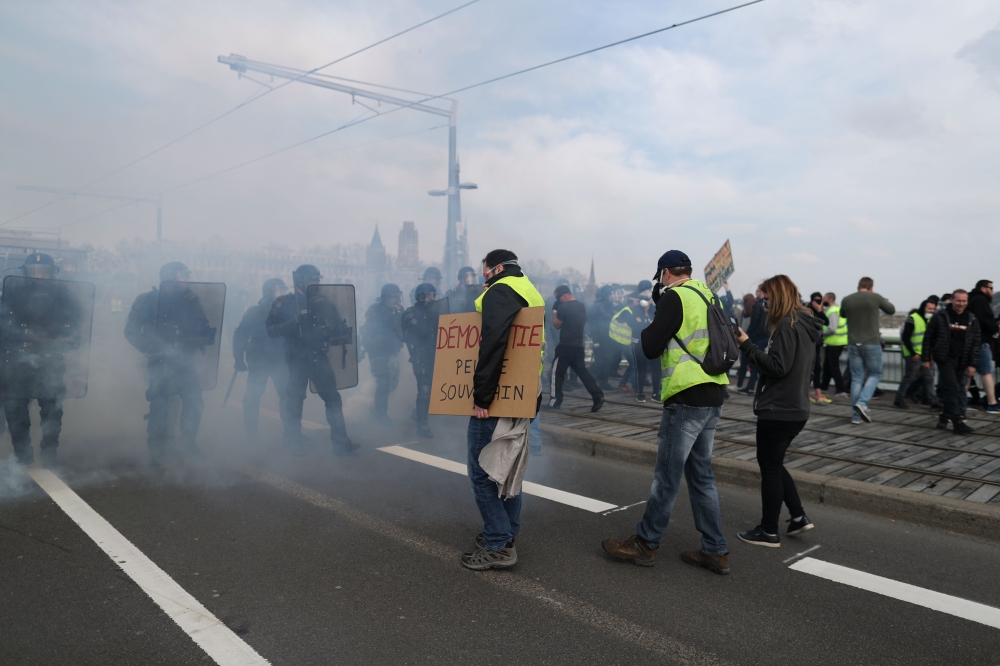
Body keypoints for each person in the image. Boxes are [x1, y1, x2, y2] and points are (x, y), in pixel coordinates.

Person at [602, 250, 730, 575]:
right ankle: (715, 550)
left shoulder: (676, 297)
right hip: (714, 392)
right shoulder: (708, 294)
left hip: (686, 396)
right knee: (702, 476)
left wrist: (659, 305)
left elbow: (649, 346)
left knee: (667, 477)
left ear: (664, 274)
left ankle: (645, 544)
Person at [462, 249, 545, 571]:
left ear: (496, 268)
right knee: (508, 468)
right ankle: (507, 534)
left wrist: (481, 396)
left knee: (482, 473)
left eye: (485, 273)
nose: (483, 279)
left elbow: (493, 340)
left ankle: (498, 544)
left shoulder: (500, 290)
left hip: (498, 392)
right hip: (523, 389)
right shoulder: (527, 287)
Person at [734, 275, 822, 546]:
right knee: (775, 463)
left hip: (779, 408)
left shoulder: (786, 325)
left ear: (778, 297)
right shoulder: (805, 324)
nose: (763, 303)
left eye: (767, 298)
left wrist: (746, 344)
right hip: (797, 408)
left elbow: (777, 366)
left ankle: (768, 530)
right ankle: (797, 516)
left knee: (769, 467)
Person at [125, 262, 215, 467]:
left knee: (194, 402)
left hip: (184, 361)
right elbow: (130, 332)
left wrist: (200, 339)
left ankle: (187, 444)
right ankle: (156, 451)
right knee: (160, 406)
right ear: (171, 277)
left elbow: (203, 327)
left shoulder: (190, 300)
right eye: (183, 276)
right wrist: (151, 349)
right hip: (159, 361)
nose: (187, 280)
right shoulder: (148, 300)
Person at [1, 254, 84, 468]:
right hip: (17, 360)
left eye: (45, 272)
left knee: (52, 409)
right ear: (25, 272)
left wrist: (71, 336)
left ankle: (49, 454)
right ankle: (23, 456)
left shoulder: (64, 295)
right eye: (35, 271)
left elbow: (76, 320)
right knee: (15, 408)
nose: (40, 277)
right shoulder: (12, 294)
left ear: (53, 273)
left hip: (51, 358)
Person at [267, 264, 357, 455]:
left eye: (317, 279)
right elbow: (271, 331)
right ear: (301, 280)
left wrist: (345, 336)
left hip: (318, 355)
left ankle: (340, 441)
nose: (316, 282)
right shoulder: (284, 303)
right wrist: (293, 323)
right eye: (313, 279)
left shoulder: (324, 302)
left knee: (332, 397)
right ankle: (292, 441)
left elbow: (338, 328)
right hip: (297, 357)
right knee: (295, 399)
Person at [233, 278, 290, 445]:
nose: (284, 293)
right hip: (260, 360)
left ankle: (290, 431)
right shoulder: (255, 311)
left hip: (281, 359)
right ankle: (251, 434)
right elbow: (241, 335)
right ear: (269, 291)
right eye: (280, 289)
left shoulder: (286, 311)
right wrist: (238, 358)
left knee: (287, 396)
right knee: (253, 395)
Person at [924, 289, 980, 433]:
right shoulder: (941, 316)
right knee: (953, 388)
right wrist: (926, 358)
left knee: (953, 389)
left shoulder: (971, 319)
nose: (961, 304)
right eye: (959, 300)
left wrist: (972, 364)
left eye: (964, 301)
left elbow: (975, 343)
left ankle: (944, 417)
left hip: (962, 360)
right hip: (945, 358)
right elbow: (928, 337)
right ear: (952, 301)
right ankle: (957, 421)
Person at [840, 277, 895, 424]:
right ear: (871, 287)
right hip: (871, 342)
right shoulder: (875, 297)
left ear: (858, 286)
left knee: (856, 378)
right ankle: (863, 403)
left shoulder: (847, 299)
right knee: (875, 373)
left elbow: (843, 314)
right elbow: (891, 309)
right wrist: (876, 296)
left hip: (852, 343)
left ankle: (855, 417)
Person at [547, 284, 604, 412]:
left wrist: (554, 312)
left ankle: (555, 401)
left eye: (559, 298)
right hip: (578, 346)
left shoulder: (563, 307)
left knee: (556, 374)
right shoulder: (581, 306)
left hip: (565, 346)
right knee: (583, 372)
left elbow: (557, 325)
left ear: (564, 295)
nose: (559, 301)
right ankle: (597, 395)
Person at [401, 282, 440, 439]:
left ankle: (417, 413)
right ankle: (422, 425)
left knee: (434, 389)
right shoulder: (410, 313)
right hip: (420, 357)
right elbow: (420, 331)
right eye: (429, 296)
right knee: (425, 390)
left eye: (433, 295)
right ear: (421, 297)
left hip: (436, 355)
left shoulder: (436, 311)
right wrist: (431, 315)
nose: (431, 299)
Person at [362, 283, 404, 425]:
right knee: (384, 381)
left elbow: (402, 330)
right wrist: (391, 316)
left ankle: (373, 404)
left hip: (392, 351)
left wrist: (400, 315)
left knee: (394, 381)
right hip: (377, 351)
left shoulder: (399, 311)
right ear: (385, 297)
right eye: (393, 297)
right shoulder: (374, 310)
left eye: (398, 297)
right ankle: (380, 414)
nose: (396, 300)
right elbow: (374, 328)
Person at [894, 297, 939, 410]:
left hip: (925, 355)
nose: (932, 311)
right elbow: (906, 337)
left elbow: (931, 339)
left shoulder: (930, 320)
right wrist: (913, 353)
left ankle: (933, 401)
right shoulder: (913, 319)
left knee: (928, 378)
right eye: (929, 309)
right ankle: (899, 399)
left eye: (933, 309)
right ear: (924, 308)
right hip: (914, 355)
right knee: (909, 377)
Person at [968, 280, 999, 414]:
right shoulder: (981, 300)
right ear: (983, 288)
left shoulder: (971, 299)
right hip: (981, 342)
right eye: (991, 288)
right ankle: (992, 404)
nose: (992, 291)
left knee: (968, 373)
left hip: (970, 342)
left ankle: (961, 402)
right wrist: (994, 328)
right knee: (986, 372)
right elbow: (983, 320)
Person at [738, 286, 769, 394]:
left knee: (753, 363)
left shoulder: (757, 305)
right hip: (766, 337)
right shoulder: (767, 305)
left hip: (756, 338)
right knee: (759, 364)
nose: (756, 293)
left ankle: (750, 387)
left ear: (761, 292)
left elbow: (754, 322)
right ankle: (759, 387)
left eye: (757, 291)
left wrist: (747, 336)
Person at [588, 285, 618, 390]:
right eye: (610, 293)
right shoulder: (598, 306)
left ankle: (598, 377)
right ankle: (600, 380)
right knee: (604, 359)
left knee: (605, 359)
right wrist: (595, 340)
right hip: (601, 336)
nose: (612, 296)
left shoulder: (610, 305)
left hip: (609, 335)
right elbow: (592, 323)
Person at [821, 292, 849, 396]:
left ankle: (841, 389)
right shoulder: (839, 309)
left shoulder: (832, 311)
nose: (823, 300)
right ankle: (824, 386)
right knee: (828, 365)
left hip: (834, 342)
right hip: (838, 341)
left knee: (833, 366)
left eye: (824, 298)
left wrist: (821, 333)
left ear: (829, 299)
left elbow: (832, 328)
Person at [806, 292, 831, 404]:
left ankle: (818, 394)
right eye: (816, 301)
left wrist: (820, 310)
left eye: (820, 301)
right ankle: (805, 394)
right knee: (806, 370)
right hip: (807, 344)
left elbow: (827, 322)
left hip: (817, 345)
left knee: (817, 368)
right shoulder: (806, 311)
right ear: (812, 301)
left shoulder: (819, 312)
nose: (818, 303)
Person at [735, 293, 756, 391]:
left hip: (745, 339)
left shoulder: (746, 312)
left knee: (744, 365)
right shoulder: (752, 311)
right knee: (751, 366)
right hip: (750, 340)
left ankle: (740, 385)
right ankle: (749, 386)